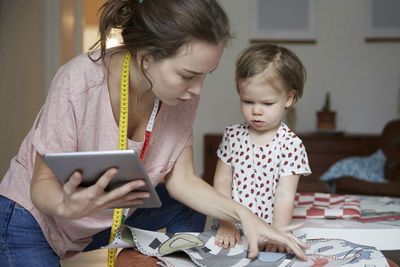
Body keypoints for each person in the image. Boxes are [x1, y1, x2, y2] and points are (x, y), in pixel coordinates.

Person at [0, 1, 308, 265]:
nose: (198, 89)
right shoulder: (78, 81)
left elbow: (183, 181)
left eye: (206, 75)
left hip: (97, 219)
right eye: (188, 75)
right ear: (147, 58)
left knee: (187, 203)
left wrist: (247, 217)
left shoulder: (180, 95)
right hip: (32, 217)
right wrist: (66, 206)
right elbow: (41, 184)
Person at [214, 43, 311, 254]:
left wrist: (277, 232)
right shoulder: (233, 136)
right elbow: (222, 181)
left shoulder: (291, 145)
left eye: (267, 104)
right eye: (247, 101)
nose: (256, 111)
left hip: (269, 232)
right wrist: (226, 223)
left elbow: (285, 194)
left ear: (289, 98)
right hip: (232, 230)